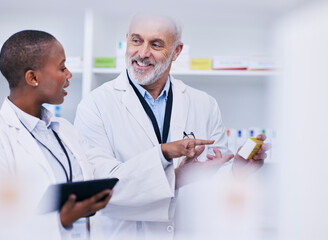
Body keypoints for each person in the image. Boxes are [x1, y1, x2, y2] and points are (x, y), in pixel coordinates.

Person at [74, 14, 270, 240]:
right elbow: (100, 189)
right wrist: (173, 172)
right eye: (136, 41)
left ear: (177, 51)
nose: (143, 53)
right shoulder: (95, 105)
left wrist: (237, 171)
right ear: (127, 40)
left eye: (156, 44)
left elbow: (214, 181)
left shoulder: (203, 104)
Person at [0, 30, 114, 240]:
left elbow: (103, 171)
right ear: (33, 77)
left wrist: (162, 154)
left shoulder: (64, 130)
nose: (69, 74)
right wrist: (59, 222)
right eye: (62, 67)